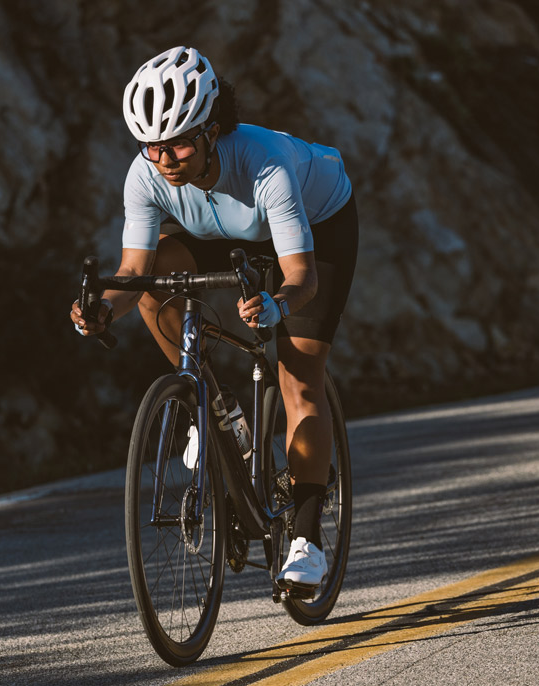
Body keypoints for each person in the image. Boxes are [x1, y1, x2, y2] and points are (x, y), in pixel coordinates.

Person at [71, 46, 357, 591]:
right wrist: (102, 307)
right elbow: (133, 270)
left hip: (316, 228)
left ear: (213, 129)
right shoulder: (145, 175)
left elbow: (302, 277)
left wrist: (277, 305)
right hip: (223, 231)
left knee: (298, 379)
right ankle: (214, 406)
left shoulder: (266, 161)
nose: (165, 159)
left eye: (178, 142)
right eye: (152, 146)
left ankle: (306, 537)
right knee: (153, 285)